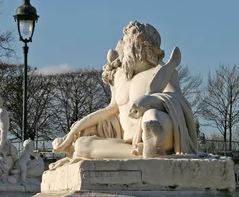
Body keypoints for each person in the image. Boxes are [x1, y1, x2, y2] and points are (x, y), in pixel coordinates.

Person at [51, 21, 197, 167]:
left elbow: (178, 102)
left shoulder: (162, 71)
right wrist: (71, 135)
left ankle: (152, 135)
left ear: (140, 45)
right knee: (82, 144)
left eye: (126, 42)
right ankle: (140, 151)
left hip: (163, 131)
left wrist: (152, 101)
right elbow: (108, 111)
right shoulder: (120, 77)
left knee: (152, 116)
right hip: (126, 142)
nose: (122, 46)